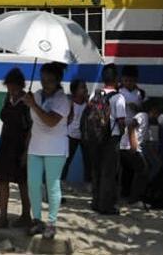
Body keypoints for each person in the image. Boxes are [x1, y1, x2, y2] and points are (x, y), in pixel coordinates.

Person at [23, 62, 71, 239]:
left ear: (58, 80)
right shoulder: (36, 94)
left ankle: (51, 223)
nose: (45, 84)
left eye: (49, 80)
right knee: (33, 184)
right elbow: (33, 123)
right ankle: (37, 220)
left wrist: (34, 105)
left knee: (52, 185)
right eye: (42, 80)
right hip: (36, 145)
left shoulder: (62, 100)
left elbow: (51, 121)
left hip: (56, 148)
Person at [0, 67, 32, 229]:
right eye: (9, 87)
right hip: (6, 144)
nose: (11, 90)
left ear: (20, 85)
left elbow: (31, 128)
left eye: (14, 87)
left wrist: (26, 152)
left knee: (23, 182)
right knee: (2, 180)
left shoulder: (28, 101)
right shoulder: (8, 99)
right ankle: (3, 216)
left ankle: (26, 215)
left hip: (21, 145)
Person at [85, 63, 122, 215]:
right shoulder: (119, 98)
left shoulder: (95, 94)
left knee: (96, 170)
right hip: (111, 139)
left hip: (95, 138)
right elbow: (121, 120)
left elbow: (89, 113)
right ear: (116, 79)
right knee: (108, 172)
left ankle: (95, 202)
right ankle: (106, 206)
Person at [117, 66, 146, 200]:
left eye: (131, 80)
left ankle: (129, 191)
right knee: (122, 163)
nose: (128, 83)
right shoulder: (118, 92)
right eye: (126, 80)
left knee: (132, 163)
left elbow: (144, 111)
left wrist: (137, 108)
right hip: (120, 131)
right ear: (122, 80)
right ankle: (122, 190)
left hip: (134, 132)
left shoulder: (140, 93)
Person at [119, 99, 150, 207]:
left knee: (128, 171)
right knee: (143, 171)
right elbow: (131, 126)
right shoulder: (144, 115)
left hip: (124, 147)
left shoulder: (143, 116)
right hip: (129, 147)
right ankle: (134, 199)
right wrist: (133, 144)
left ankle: (125, 194)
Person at [62, 79, 90, 183]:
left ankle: (88, 183)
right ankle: (62, 181)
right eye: (82, 87)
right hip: (71, 135)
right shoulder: (70, 103)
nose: (85, 89)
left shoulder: (88, 103)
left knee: (88, 161)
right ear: (75, 91)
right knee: (66, 160)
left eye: (85, 87)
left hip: (84, 136)